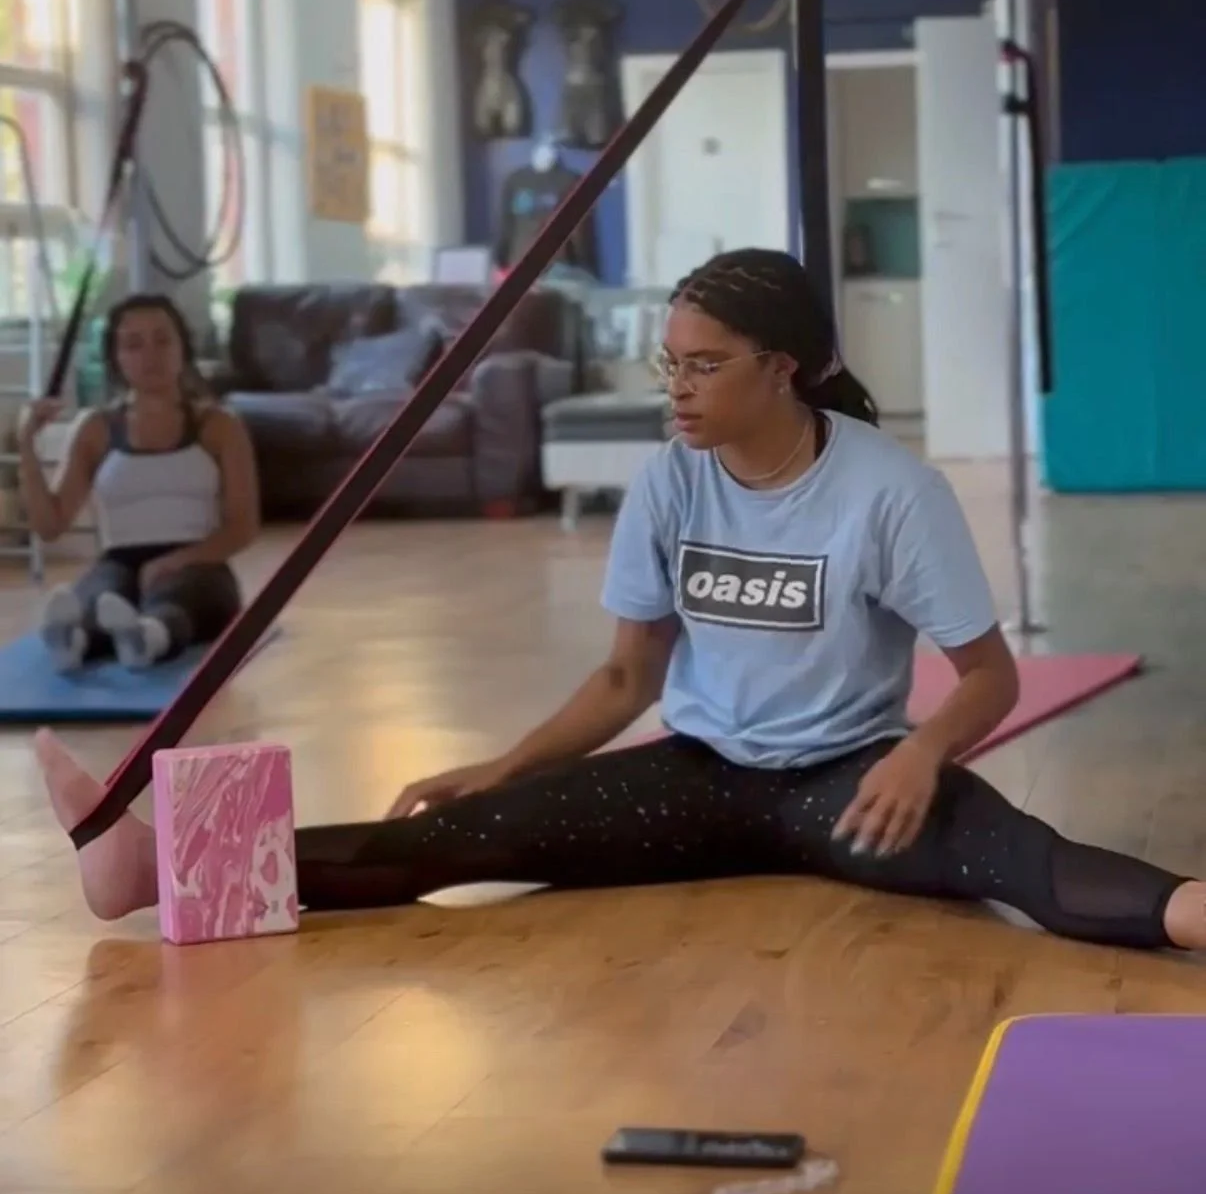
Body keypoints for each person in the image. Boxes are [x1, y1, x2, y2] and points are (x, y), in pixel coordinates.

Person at [33, 250, 1206, 950]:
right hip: (696, 772)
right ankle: (154, 869)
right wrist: (508, 761)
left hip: (850, 783)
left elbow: (990, 673)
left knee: (1027, 864)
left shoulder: (889, 489)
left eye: (703, 364)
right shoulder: (668, 480)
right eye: (669, 364)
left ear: (779, 370)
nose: (676, 389)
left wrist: (922, 755)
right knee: (453, 837)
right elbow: (624, 680)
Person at [20, 292, 259, 673]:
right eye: (133, 344)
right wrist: (27, 445)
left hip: (201, 562)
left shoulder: (219, 426)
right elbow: (50, 526)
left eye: (163, 340)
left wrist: (177, 560)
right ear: (116, 358)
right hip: (120, 561)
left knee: (177, 599)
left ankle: (148, 636)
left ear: (183, 347)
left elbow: (243, 527)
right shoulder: (95, 428)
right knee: (100, 596)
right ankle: (74, 640)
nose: (151, 355)